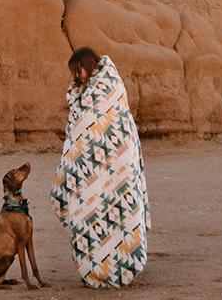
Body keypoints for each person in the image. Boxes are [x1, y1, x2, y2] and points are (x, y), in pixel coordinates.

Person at [50, 47, 151, 289]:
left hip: (118, 166)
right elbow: (81, 130)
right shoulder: (81, 93)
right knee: (89, 214)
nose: (79, 76)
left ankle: (119, 268)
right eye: (76, 73)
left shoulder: (109, 86)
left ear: (89, 64)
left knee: (118, 211)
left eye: (80, 70)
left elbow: (111, 123)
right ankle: (93, 269)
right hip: (90, 172)